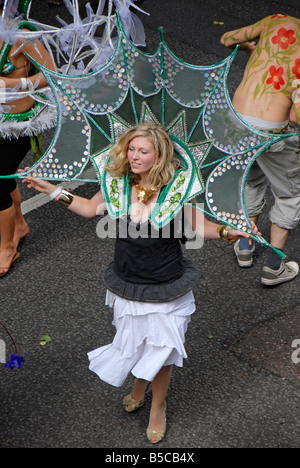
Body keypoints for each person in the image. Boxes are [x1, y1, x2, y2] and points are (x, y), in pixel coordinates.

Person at [24, 123, 257, 444]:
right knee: (133, 342)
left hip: (167, 285)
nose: (134, 156)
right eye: (131, 149)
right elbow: (90, 210)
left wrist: (232, 232)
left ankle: (157, 406)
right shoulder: (117, 184)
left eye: (142, 151)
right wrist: (49, 189)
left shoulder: (176, 190)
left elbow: (201, 226)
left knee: (163, 350)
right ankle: (138, 385)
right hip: (128, 282)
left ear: (159, 155)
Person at [220, 14, 300, 286]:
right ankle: (274, 267)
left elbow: (227, 38)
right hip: (271, 131)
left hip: (237, 123)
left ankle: (245, 245)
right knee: (290, 194)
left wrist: (249, 49)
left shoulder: (276, 20)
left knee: (252, 178)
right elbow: (297, 117)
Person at [0, 1, 56, 276]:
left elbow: (53, 73)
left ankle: (7, 248)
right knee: (5, 174)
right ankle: (19, 225)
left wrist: (16, 84)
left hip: (22, 125)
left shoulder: (21, 37)